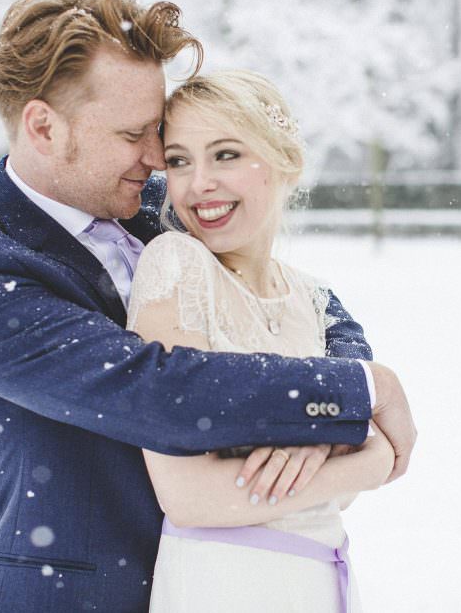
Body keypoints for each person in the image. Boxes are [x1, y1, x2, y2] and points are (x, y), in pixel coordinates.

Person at [0, 0, 416, 612]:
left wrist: (316, 412)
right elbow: (158, 391)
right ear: (43, 125)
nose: (156, 160)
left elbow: (302, 301)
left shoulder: (159, 204)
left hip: (232, 584)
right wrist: (356, 393)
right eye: (134, 134)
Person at [126, 70, 394, 612]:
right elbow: (191, 496)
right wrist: (370, 460)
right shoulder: (176, 265)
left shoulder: (312, 299)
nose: (198, 182)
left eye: (225, 154)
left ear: (285, 163)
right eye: (178, 160)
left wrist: (334, 456)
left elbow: (339, 493)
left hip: (320, 585)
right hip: (223, 584)